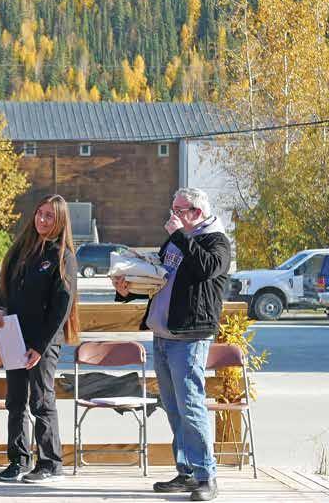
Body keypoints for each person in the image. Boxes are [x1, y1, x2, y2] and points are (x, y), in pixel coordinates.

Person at [112, 187, 230, 502]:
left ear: (198, 212)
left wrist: (180, 236)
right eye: (172, 209)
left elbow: (205, 268)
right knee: (174, 407)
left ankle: (207, 476)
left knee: (191, 406)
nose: (173, 215)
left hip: (189, 338)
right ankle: (187, 471)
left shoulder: (215, 241)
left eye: (180, 210)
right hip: (163, 335)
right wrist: (128, 289)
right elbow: (160, 278)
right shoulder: (179, 240)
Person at [0, 194, 79, 483]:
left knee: (41, 400)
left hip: (42, 342)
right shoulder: (21, 250)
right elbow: (3, 286)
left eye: (49, 216)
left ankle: (51, 463)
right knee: (15, 401)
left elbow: (61, 307)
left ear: (60, 220)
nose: (42, 219)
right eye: (39, 214)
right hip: (13, 334)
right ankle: (18, 460)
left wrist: (40, 347)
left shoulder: (62, 255)